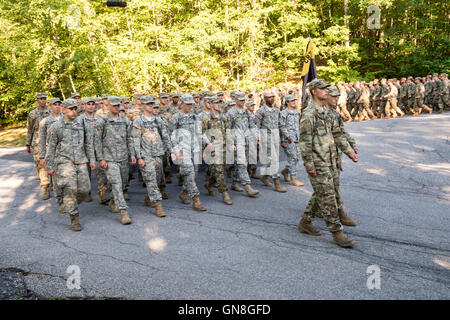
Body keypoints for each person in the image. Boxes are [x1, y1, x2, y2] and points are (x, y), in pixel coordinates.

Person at [297, 79, 358, 248]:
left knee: (322, 193)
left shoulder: (326, 112)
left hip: (330, 160)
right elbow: (304, 142)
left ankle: (305, 221)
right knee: (328, 196)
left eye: (326, 88)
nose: (326, 91)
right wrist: (309, 166)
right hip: (318, 162)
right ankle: (337, 233)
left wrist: (349, 153)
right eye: (322, 89)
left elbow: (337, 134)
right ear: (314, 92)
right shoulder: (309, 114)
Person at [45, 98, 96, 231]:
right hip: (64, 161)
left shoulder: (82, 124)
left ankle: (68, 203)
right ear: (63, 110)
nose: (74, 112)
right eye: (71, 109)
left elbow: (88, 143)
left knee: (85, 190)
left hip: (81, 161)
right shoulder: (56, 126)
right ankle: (74, 218)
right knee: (70, 189)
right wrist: (49, 166)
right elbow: (51, 148)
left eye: (75, 109)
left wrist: (92, 160)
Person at [96, 96, 135, 225]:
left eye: (118, 105)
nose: (117, 107)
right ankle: (123, 212)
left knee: (122, 184)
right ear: (108, 106)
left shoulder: (125, 121)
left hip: (123, 158)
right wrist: (100, 158)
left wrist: (133, 155)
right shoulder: (103, 121)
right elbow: (97, 141)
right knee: (117, 184)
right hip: (109, 159)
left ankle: (113, 200)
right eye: (114, 105)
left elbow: (129, 139)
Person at [131, 96, 171, 217]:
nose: (150, 106)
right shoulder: (138, 122)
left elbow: (165, 136)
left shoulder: (158, 120)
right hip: (146, 155)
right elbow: (135, 140)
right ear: (142, 106)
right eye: (148, 104)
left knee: (157, 180)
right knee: (152, 180)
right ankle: (158, 206)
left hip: (158, 154)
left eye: (151, 104)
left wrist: (171, 151)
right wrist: (139, 157)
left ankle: (149, 197)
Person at [325, 86, 359, 226]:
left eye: (337, 96)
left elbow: (342, 131)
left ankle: (315, 213)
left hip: (336, 154)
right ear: (325, 96)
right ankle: (339, 213)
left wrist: (352, 143)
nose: (336, 99)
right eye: (333, 96)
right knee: (329, 186)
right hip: (325, 154)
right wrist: (349, 152)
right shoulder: (322, 114)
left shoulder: (335, 113)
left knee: (330, 185)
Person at [170, 93, 207, 211]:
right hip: (182, 151)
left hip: (194, 149)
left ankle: (183, 193)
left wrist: (205, 145)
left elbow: (199, 133)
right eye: (187, 104)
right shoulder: (175, 117)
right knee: (189, 174)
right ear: (182, 104)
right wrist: (175, 151)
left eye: (191, 104)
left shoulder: (195, 117)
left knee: (194, 175)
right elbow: (170, 136)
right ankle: (196, 200)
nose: (189, 106)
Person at [226, 92, 260, 197]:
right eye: (240, 100)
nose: (242, 101)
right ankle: (247, 187)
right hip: (237, 141)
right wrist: (230, 143)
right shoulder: (230, 113)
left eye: (243, 100)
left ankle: (235, 183)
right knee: (242, 163)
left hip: (246, 140)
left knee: (239, 163)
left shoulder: (246, 112)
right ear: (235, 100)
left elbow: (252, 125)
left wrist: (257, 134)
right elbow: (228, 129)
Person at [202, 96, 234, 205]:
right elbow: (201, 133)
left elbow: (228, 131)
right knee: (219, 171)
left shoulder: (223, 117)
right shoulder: (206, 118)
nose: (218, 105)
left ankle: (209, 183)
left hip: (224, 147)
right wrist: (206, 145)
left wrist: (231, 144)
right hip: (213, 148)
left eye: (219, 103)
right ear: (210, 105)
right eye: (216, 103)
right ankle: (225, 193)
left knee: (220, 169)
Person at [256, 90, 287, 192]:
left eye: (273, 97)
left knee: (273, 160)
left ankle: (264, 176)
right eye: (269, 97)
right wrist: (258, 140)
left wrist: (286, 137)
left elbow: (281, 124)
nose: (271, 99)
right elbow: (256, 126)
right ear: (264, 99)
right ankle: (277, 183)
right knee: (273, 161)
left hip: (275, 138)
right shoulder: (260, 111)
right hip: (266, 139)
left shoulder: (276, 111)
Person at [26, 92, 51, 195]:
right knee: (41, 164)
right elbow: (30, 130)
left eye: (44, 98)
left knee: (51, 162)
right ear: (37, 100)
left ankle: (52, 183)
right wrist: (28, 144)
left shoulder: (51, 112)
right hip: (37, 142)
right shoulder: (32, 114)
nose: (43, 100)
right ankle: (44, 187)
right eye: (40, 99)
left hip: (50, 141)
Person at [38, 98, 62, 202]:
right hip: (51, 151)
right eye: (54, 104)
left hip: (64, 151)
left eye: (58, 104)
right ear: (50, 106)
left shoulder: (66, 119)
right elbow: (42, 140)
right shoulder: (45, 122)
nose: (57, 106)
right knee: (51, 173)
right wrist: (42, 156)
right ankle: (49, 190)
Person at [279, 94, 304, 187]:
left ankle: (285, 171)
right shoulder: (283, 113)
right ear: (287, 102)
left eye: (294, 100)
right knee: (292, 157)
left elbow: (298, 125)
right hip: (288, 139)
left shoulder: (297, 113)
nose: (294, 102)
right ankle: (293, 179)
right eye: (292, 101)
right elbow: (281, 127)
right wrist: (283, 140)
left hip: (296, 138)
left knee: (297, 158)